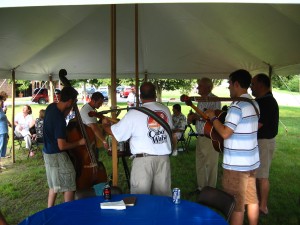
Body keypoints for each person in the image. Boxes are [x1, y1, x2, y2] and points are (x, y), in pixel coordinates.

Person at [205, 69, 260, 225]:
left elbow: (225, 133)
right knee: (252, 199)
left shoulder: (237, 106)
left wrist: (213, 117)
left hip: (237, 165)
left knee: (235, 205)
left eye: (229, 84)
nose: (228, 87)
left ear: (236, 84)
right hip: (251, 162)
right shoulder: (254, 103)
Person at [102, 82, 173, 196]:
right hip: (163, 160)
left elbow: (116, 134)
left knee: (141, 200)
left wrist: (105, 125)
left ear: (140, 96)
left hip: (143, 162)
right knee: (162, 200)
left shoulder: (134, 113)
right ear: (155, 94)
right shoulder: (165, 110)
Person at [43, 86, 86, 207]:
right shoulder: (59, 120)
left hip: (47, 153)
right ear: (70, 101)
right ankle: (69, 211)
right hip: (57, 155)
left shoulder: (51, 107)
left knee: (54, 185)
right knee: (69, 182)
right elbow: (61, 146)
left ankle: (49, 210)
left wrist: (70, 108)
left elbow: (63, 114)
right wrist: (79, 142)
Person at [251, 73, 279, 215]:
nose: (251, 87)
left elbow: (257, 125)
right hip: (260, 142)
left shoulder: (267, 102)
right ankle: (256, 202)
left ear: (261, 84)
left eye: (253, 84)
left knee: (262, 176)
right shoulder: (262, 100)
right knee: (258, 174)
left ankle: (263, 207)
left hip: (264, 142)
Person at [187, 78, 221, 193]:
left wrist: (197, 117)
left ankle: (211, 189)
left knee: (211, 164)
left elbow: (213, 118)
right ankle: (201, 187)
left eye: (200, 86)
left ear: (208, 87)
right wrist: (193, 117)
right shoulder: (201, 100)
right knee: (200, 163)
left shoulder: (214, 99)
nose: (197, 88)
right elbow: (200, 115)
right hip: (201, 136)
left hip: (210, 137)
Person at [0, 96, 11, 171]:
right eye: (1, 101)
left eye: (2, 101)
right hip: (1, 131)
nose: (2, 102)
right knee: (1, 147)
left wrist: (9, 123)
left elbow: (4, 117)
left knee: (3, 147)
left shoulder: (1, 109)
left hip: (4, 130)